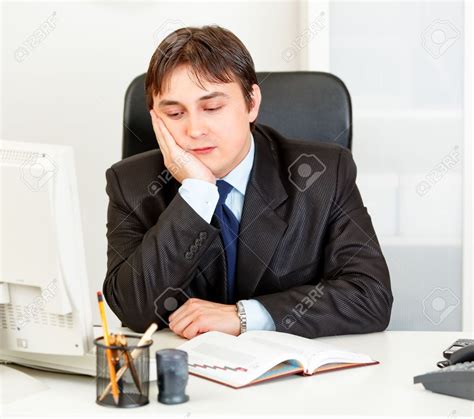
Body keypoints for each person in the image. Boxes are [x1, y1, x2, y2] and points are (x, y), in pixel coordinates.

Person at [103, 25, 393, 339]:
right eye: (174, 113)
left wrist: (245, 316)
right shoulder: (131, 184)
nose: (194, 130)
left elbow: (369, 296)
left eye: (212, 108)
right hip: (185, 374)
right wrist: (196, 193)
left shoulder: (324, 173)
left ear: (251, 103)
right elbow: (133, 309)